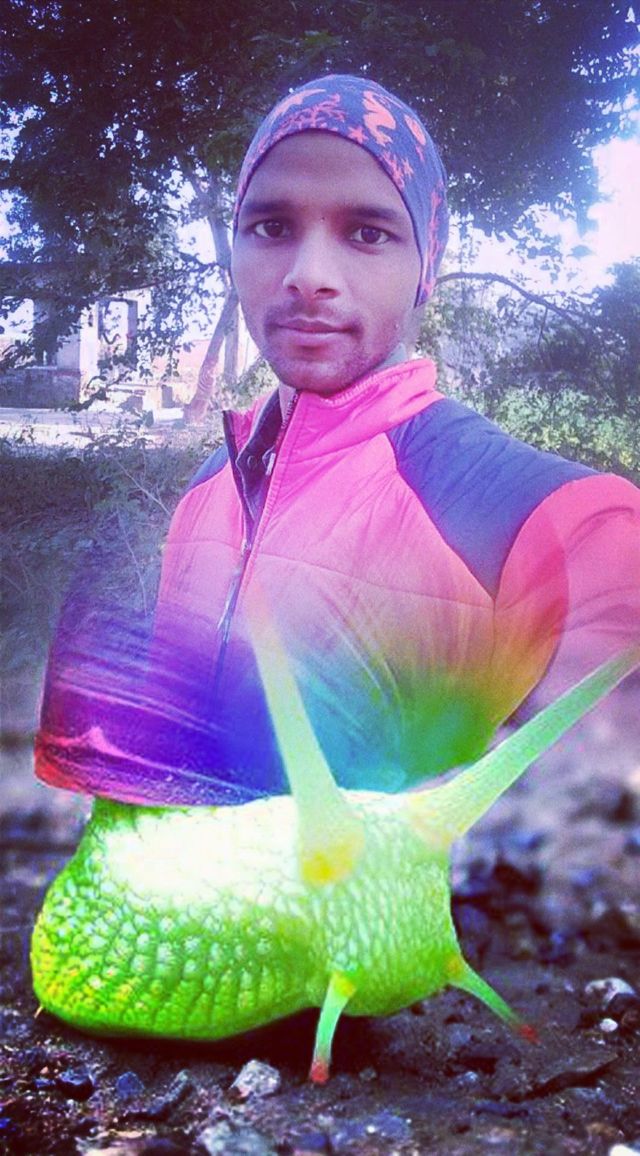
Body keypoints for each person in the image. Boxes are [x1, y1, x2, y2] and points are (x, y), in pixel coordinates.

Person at [37, 74, 640, 806]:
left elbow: (592, 835)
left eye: (366, 233)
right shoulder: (206, 492)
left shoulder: (554, 522)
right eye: (272, 227)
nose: (308, 276)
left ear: (426, 267)